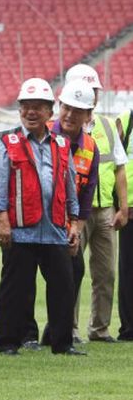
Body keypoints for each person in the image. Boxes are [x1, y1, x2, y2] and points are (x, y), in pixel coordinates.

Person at [0, 77, 84, 356]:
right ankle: (7, 342)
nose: (30, 112)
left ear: (49, 113)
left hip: (54, 227)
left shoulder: (62, 144)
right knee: (14, 287)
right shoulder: (7, 140)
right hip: (20, 228)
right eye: (25, 107)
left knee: (63, 287)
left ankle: (62, 343)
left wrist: (74, 221)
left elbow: (69, 185)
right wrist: (3, 220)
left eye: (37, 107)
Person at [32, 80, 99, 347]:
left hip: (64, 225)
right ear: (59, 107)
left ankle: (56, 332)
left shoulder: (91, 147)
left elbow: (86, 194)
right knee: (23, 279)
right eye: (67, 108)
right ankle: (25, 336)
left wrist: (77, 228)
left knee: (74, 271)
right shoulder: (40, 133)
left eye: (78, 110)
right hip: (32, 220)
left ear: (88, 115)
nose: (70, 115)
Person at [66, 64, 128, 343]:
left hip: (105, 211)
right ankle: (69, 328)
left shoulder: (106, 124)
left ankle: (100, 329)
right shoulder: (64, 126)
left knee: (106, 273)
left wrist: (122, 207)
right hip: (76, 211)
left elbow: (119, 167)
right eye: (87, 88)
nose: (92, 94)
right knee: (72, 273)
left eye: (94, 90)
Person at [116, 108, 133, 341]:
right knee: (129, 270)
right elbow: (116, 162)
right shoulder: (127, 119)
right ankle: (129, 328)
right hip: (130, 208)